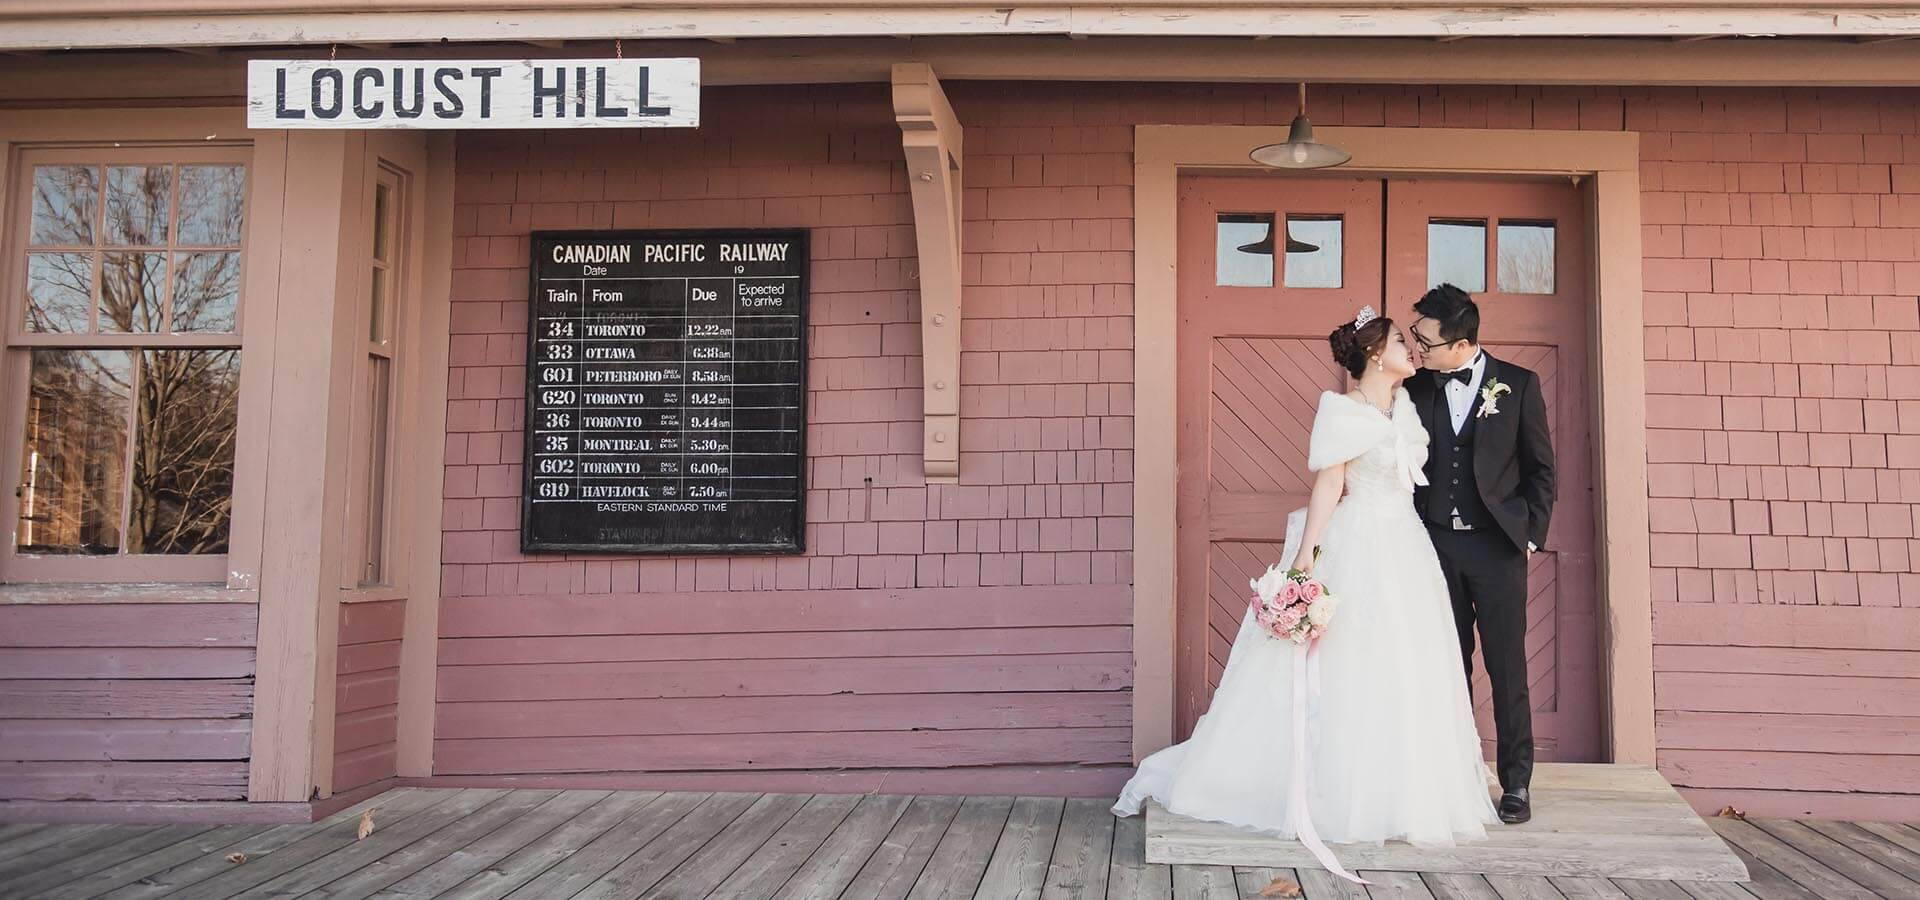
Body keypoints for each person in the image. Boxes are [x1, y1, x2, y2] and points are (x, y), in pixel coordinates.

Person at [1113, 305, 1497, 848]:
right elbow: (1328, 487)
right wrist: (1307, 558)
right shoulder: (1342, 411)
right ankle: (1334, 790)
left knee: (1408, 662)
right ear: (1372, 354)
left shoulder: (1407, 405)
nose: (1408, 351)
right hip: (1361, 539)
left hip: (1407, 546)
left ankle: (1401, 791)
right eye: (1396, 342)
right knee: (1350, 662)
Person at [1404, 283, 1557, 826]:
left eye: (1426, 339)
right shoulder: (1415, 388)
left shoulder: (1518, 385)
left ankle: (1515, 783)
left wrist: (1531, 535)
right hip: (1434, 548)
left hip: (1497, 550)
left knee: (1506, 668)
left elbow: (1541, 468)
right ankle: (1460, 776)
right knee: (1447, 668)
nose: (1417, 347)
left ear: (1462, 343)